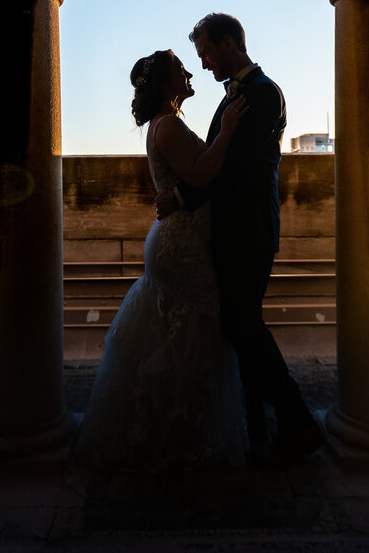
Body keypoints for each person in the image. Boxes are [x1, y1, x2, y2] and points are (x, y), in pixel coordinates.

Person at [158, 12, 324, 464]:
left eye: (208, 52)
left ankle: (298, 422)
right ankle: (259, 424)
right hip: (233, 229)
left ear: (230, 43)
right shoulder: (234, 97)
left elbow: (235, 167)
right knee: (240, 325)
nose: (206, 64)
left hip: (248, 229)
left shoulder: (263, 94)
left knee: (243, 325)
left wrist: (180, 194)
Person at [74, 49, 250, 471]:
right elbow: (201, 175)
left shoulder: (169, 122)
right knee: (191, 339)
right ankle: (177, 437)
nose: (190, 71)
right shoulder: (168, 125)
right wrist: (226, 132)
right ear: (166, 83)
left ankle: (170, 429)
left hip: (182, 239)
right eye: (180, 69)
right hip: (181, 246)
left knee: (181, 339)